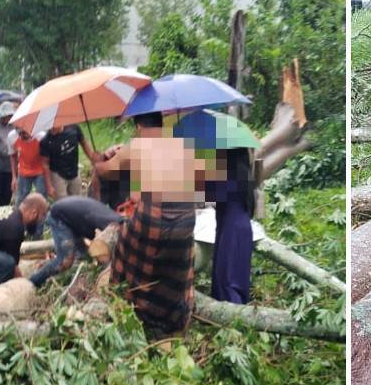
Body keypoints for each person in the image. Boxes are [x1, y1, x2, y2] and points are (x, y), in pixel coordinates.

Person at [97, 111, 217, 337]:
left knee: (125, 250)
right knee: (175, 268)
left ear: (139, 126)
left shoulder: (137, 147)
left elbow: (105, 172)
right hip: (185, 219)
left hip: (153, 219)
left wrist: (101, 157)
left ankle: (133, 309)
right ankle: (172, 322)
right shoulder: (183, 146)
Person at [28, 196, 124, 287]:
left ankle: (75, 281)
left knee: (83, 258)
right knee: (64, 261)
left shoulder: (118, 223)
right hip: (60, 217)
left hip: (75, 218)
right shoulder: (113, 228)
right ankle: (32, 283)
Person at [206, 148, 256, 304]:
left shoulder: (227, 173)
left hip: (232, 229)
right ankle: (226, 315)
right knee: (225, 274)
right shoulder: (241, 168)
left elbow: (207, 194)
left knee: (229, 279)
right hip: (230, 226)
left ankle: (233, 318)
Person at [40, 123, 96, 200]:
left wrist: (93, 160)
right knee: (63, 202)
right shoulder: (45, 141)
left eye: (54, 126)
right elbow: (45, 164)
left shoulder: (74, 128)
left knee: (78, 199)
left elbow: (84, 143)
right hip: (57, 174)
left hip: (74, 170)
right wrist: (49, 186)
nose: (52, 129)